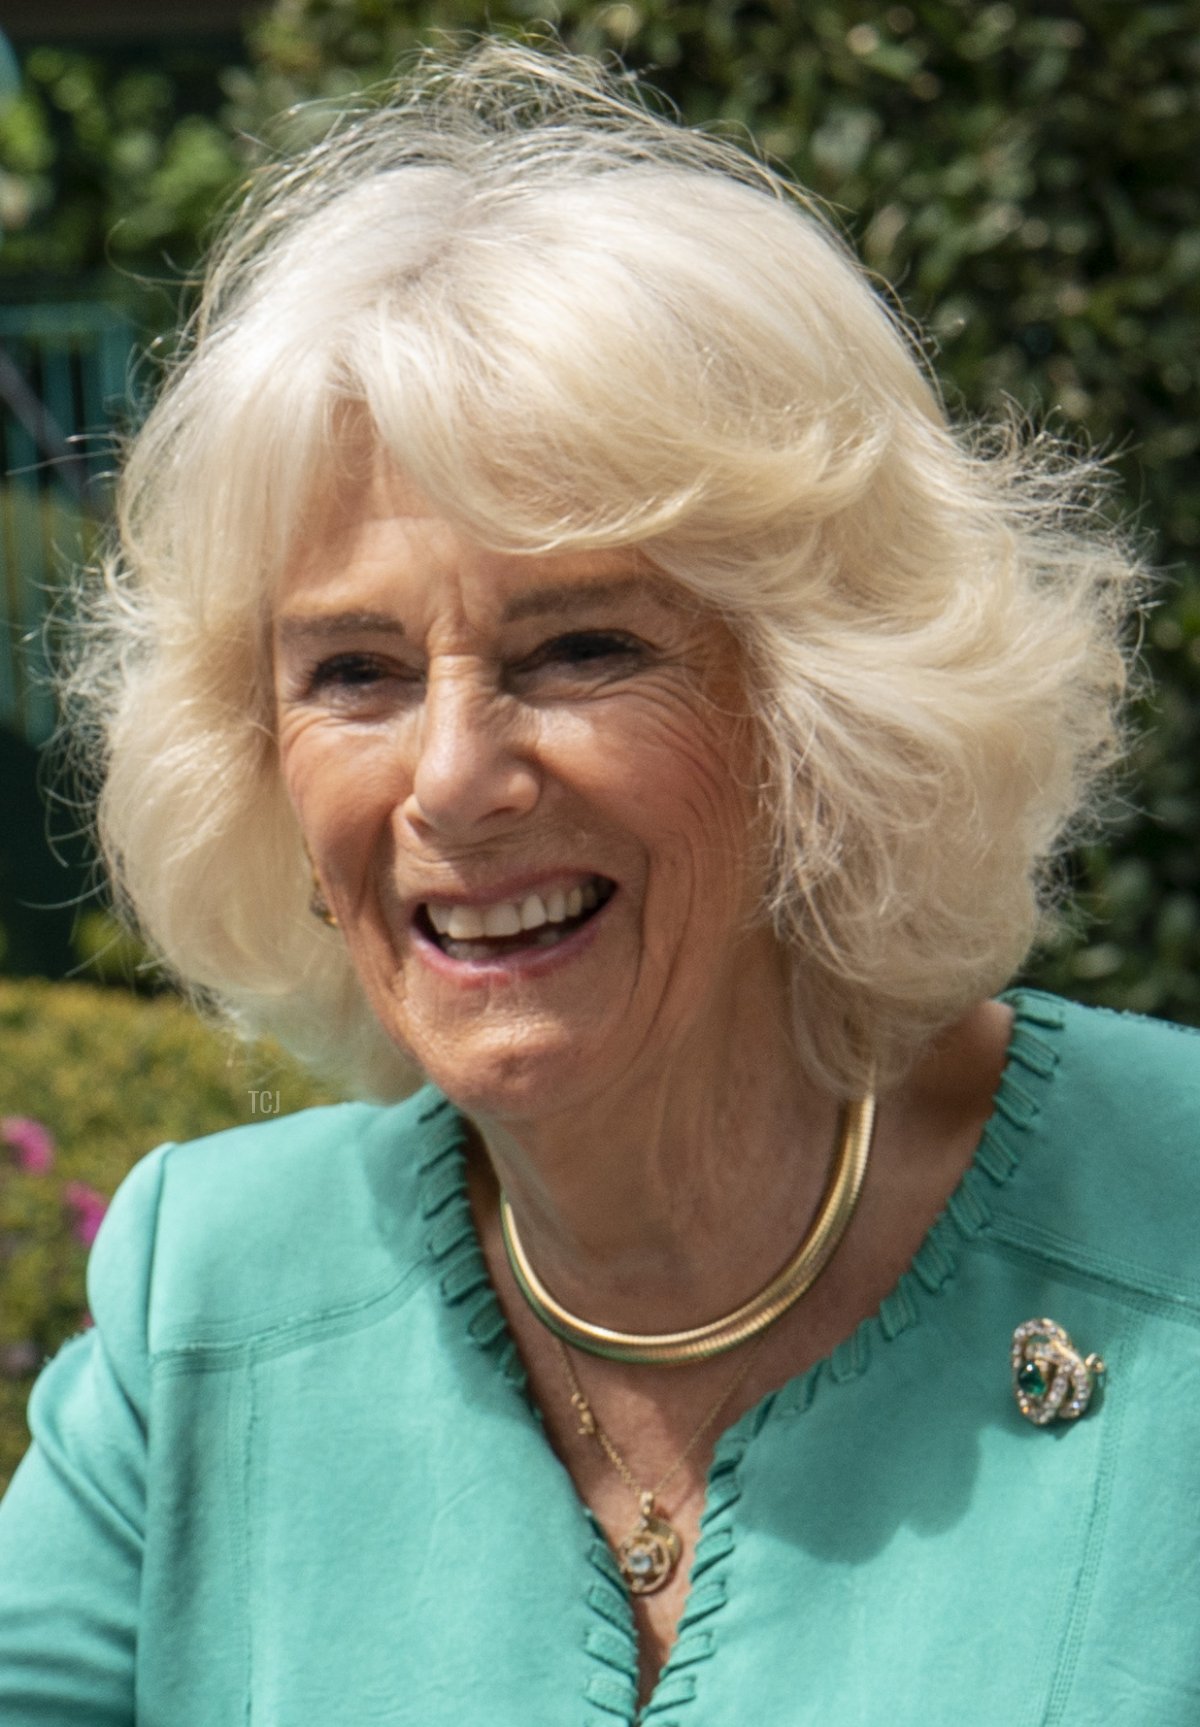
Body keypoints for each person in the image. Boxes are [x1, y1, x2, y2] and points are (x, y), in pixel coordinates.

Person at [1, 38, 1197, 1727]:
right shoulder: (209, 1297)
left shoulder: (1171, 1213)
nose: (451, 778)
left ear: (821, 708)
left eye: (579, 649)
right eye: (354, 671)